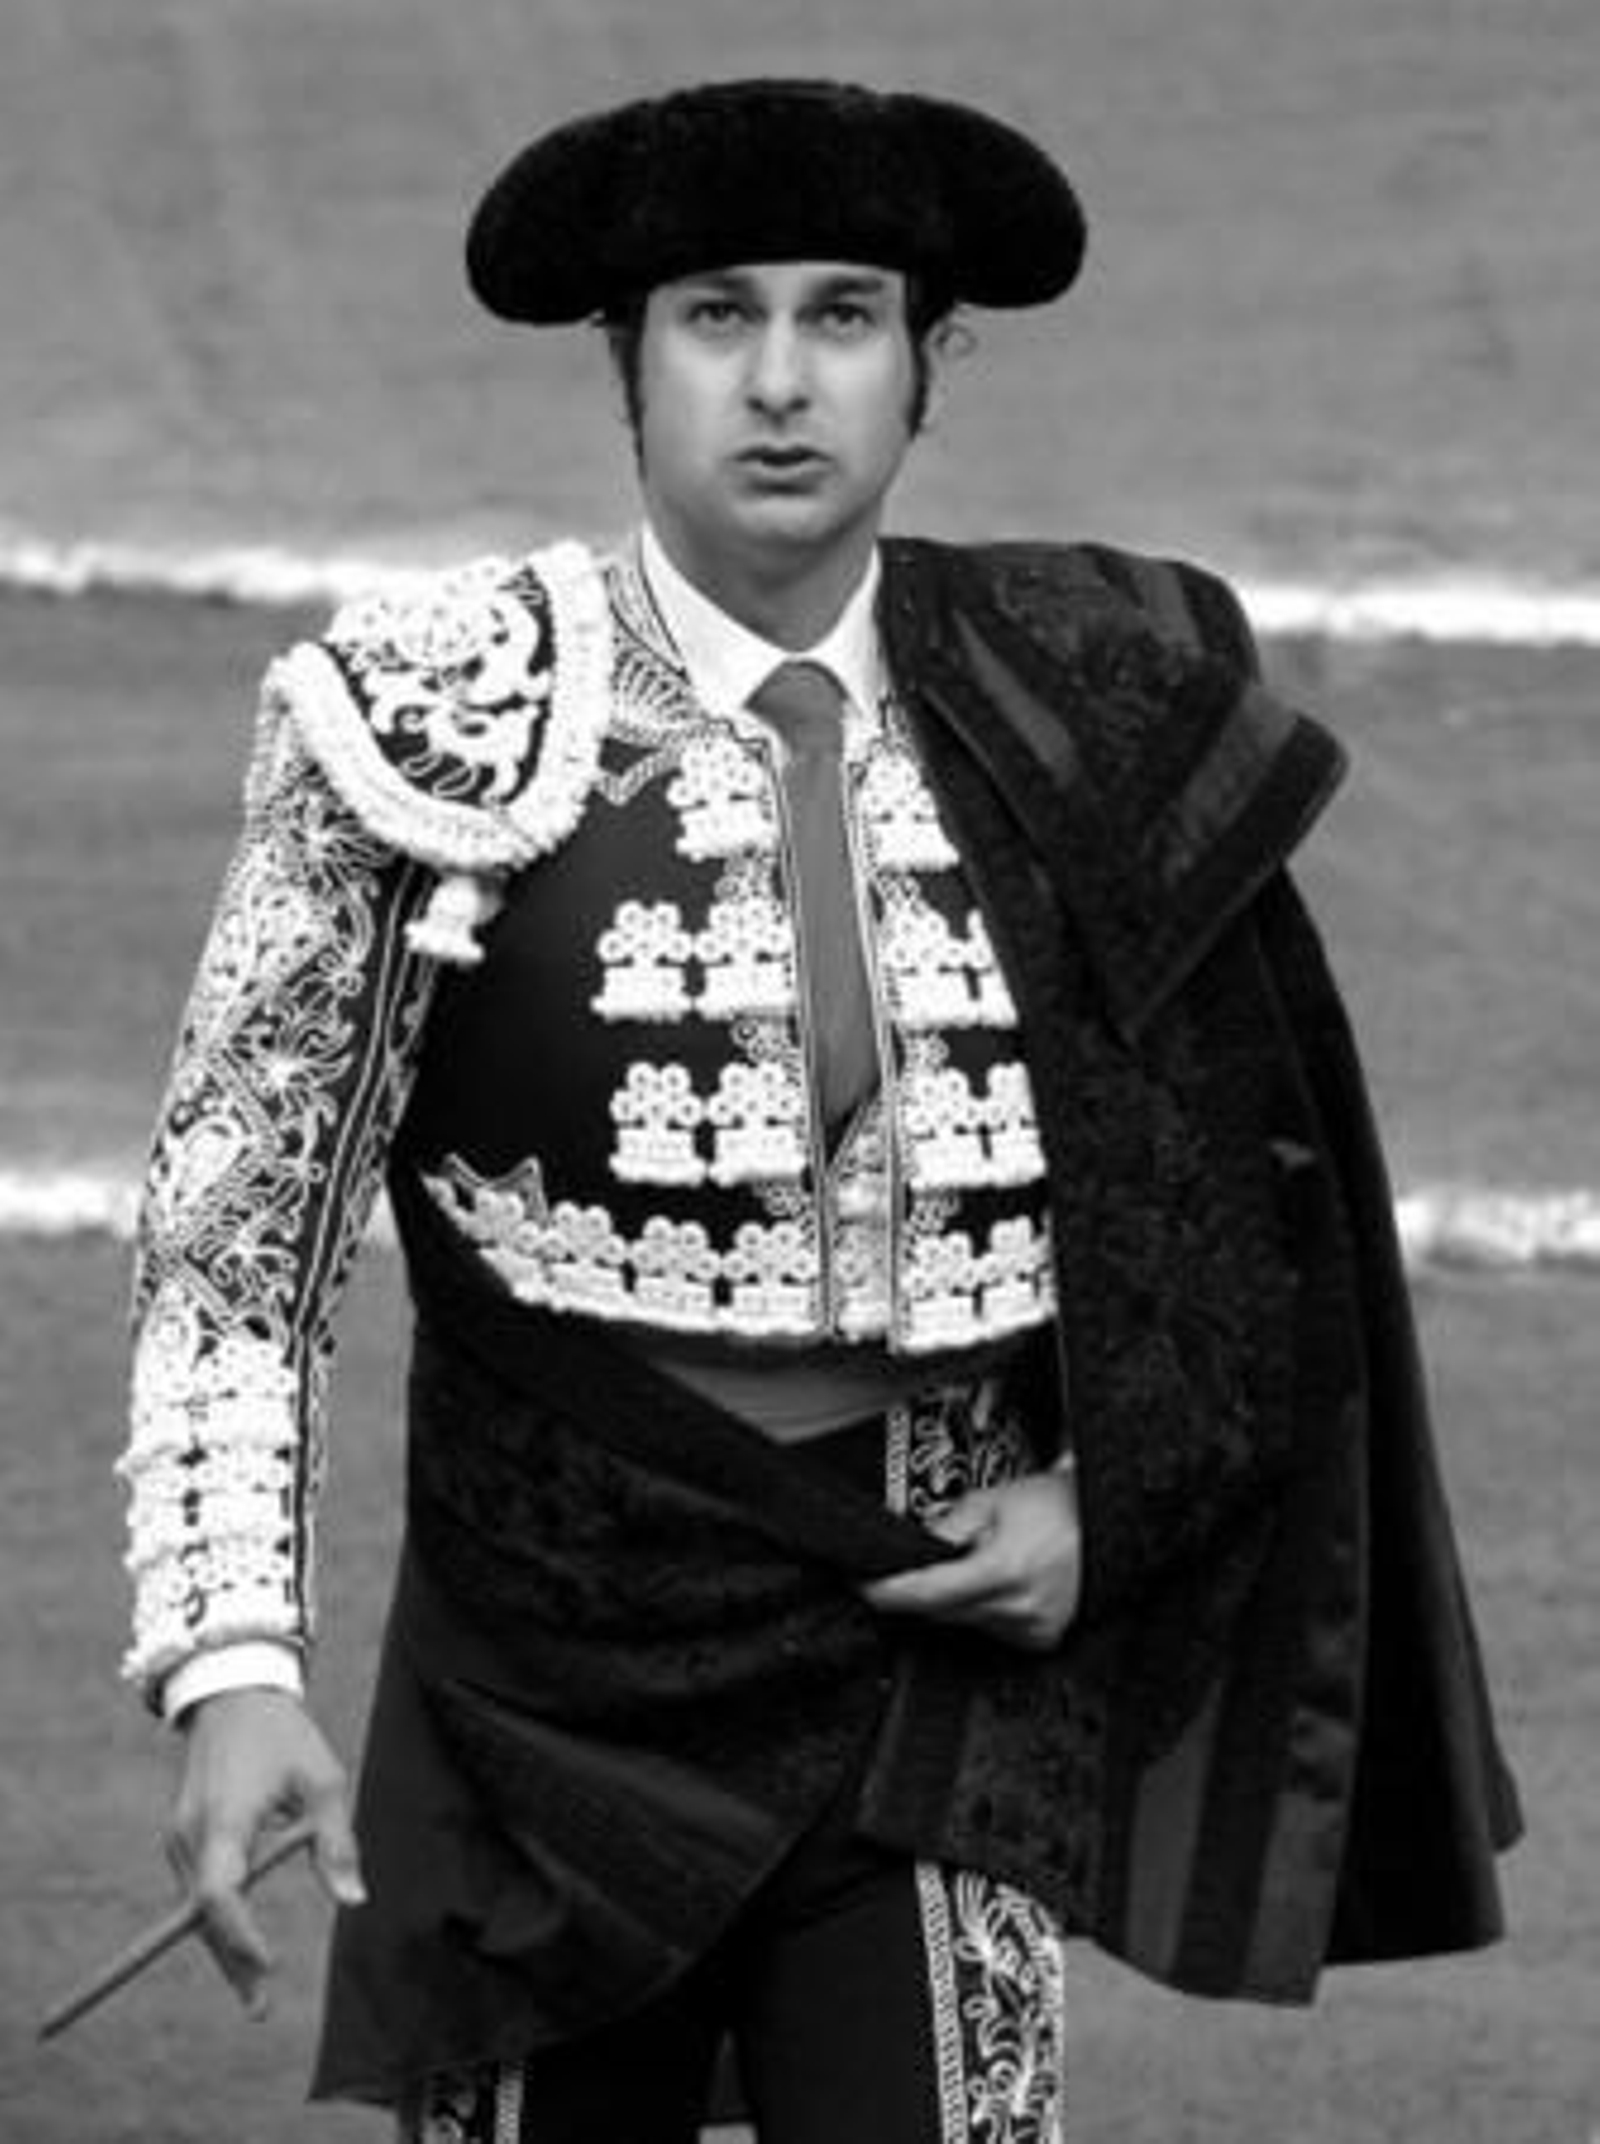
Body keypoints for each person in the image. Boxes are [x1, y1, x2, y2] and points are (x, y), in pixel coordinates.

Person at [120, 77, 1520, 2143]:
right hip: (542, 1679)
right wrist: (233, 1663)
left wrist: (1106, 1499)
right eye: (717, 315)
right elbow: (240, 1244)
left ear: (927, 364)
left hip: (938, 1667)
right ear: (626, 359)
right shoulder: (426, 718)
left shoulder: (1090, 694)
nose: (779, 381)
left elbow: (1241, 1187)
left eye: (843, 315)